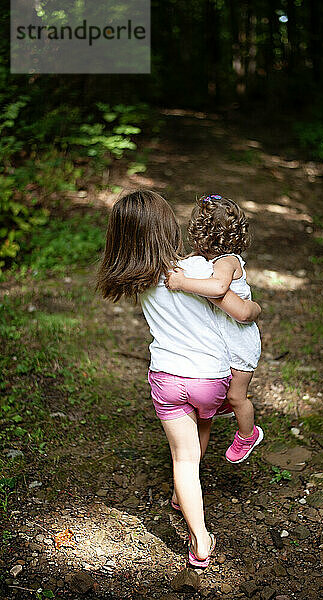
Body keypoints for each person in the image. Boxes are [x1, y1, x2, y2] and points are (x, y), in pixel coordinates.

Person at [95, 190, 261, 568]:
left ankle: (199, 539)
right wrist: (255, 307)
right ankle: (183, 495)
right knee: (201, 428)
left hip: (168, 379)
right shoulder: (201, 270)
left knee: (183, 459)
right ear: (171, 226)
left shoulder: (138, 276)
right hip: (210, 378)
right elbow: (239, 309)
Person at [165, 194, 263, 463]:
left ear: (200, 234)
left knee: (236, 396)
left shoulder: (227, 262)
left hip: (240, 341)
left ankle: (247, 434)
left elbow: (219, 288)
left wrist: (182, 283)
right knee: (224, 392)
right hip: (226, 338)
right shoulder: (211, 260)